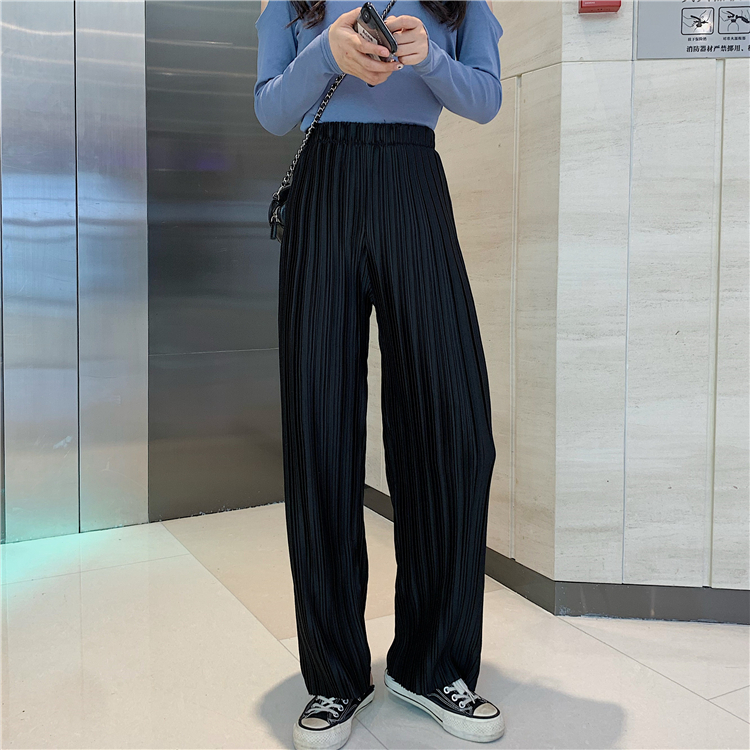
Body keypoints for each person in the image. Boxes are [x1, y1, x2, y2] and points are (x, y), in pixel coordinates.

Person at [254, 2, 505, 748]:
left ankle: (432, 664)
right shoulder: (291, 4)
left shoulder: (460, 5)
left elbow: (485, 98)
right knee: (320, 422)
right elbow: (271, 110)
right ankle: (334, 675)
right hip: (324, 190)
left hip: (414, 183)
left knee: (452, 424)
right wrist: (325, 55)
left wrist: (430, 58)